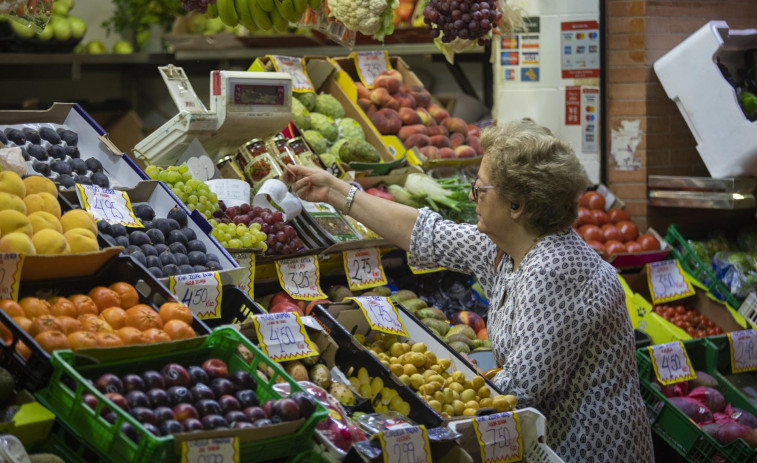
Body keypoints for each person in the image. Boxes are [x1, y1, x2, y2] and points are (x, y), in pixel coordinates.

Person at [284, 118, 654, 462]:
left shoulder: (555, 271)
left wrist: (431, 403)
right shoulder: (506, 246)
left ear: (517, 205)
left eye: (481, 186)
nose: (474, 193)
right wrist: (334, 191)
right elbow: (423, 232)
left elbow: (519, 391)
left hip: (585, 450)